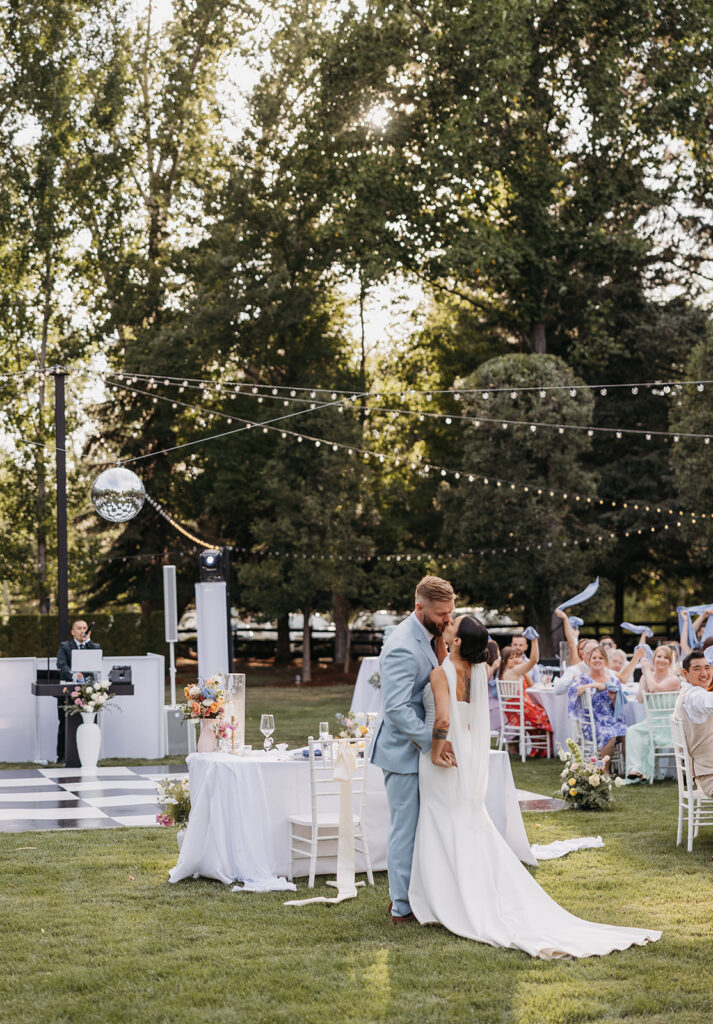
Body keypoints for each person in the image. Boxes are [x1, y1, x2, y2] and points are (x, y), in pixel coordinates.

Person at [408, 613, 661, 957]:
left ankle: (443, 896)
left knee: (441, 818)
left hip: (448, 751)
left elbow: (442, 718)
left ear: (457, 641)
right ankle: (462, 888)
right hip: (467, 748)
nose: (449, 623)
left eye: (454, 624)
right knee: (462, 818)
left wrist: (437, 751)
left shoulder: (442, 672)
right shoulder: (478, 671)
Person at [370, 575, 455, 924]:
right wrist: (431, 741)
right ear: (419, 607)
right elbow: (397, 709)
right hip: (403, 751)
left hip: (420, 750)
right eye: (441, 614)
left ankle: (416, 895)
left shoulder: (431, 637)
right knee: (404, 829)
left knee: (422, 827)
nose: (448, 621)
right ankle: (401, 907)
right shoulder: (403, 645)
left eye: (451, 613)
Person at [567, 644, 627, 773]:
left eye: (600, 658)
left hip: (612, 720)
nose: (597, 660)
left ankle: (631, 770)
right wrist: (592, 685)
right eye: (594, 658)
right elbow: (572, 692)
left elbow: (620, 708)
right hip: (592, 724)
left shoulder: (613, 681)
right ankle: (604, 770)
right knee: (609, 735)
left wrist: (613, 698)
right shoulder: (583, 678)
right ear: (588, 661)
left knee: (628, 732)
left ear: (605, 661)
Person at [625, 645, 681, 782]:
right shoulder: (647, 676)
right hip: (651, 723)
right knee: (632, 731)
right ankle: (637, 770)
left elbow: (655, 689)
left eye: (665, 657)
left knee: (638, 732)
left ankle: (641, 770)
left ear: (670, 661)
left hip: (668, 725)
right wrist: (644, 676)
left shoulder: (674, 679)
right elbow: (639, 698)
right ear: (654, 658)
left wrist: (647, 671)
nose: (661, 660)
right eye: (658, 656)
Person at [498, 636, 553, 756]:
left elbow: (530, 684)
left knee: (538, 715)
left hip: (513, 712)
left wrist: (521, 665)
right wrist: (534, 640)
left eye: (515, 657)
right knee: (546, 715)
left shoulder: (505, 672)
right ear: (505, 661)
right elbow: (534, 660)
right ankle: (544, 748)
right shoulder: (514, 671)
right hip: (521, 711)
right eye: (511, 658)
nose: (515, 660)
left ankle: (537, 748)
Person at [56, 619, 101, 763]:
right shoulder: (65, 647)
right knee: (64, 721)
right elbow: (61, 664)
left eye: (85, 628)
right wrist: (74, 675)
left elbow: (97, 663)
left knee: (90, 721)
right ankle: (62, 756)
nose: (82, 631)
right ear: (73, 631)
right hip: (68, 689)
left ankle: (89, 756)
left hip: (88, 691)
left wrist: (87, 642)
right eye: (79, 628)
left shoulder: (94, 646)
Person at [674, 650, 713, 796]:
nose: (704, 673)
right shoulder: (694, 696)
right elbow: (708, 701)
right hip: (710, 776)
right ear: (685, 673)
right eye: (697, 669)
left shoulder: (689, 692)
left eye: (707, 668)